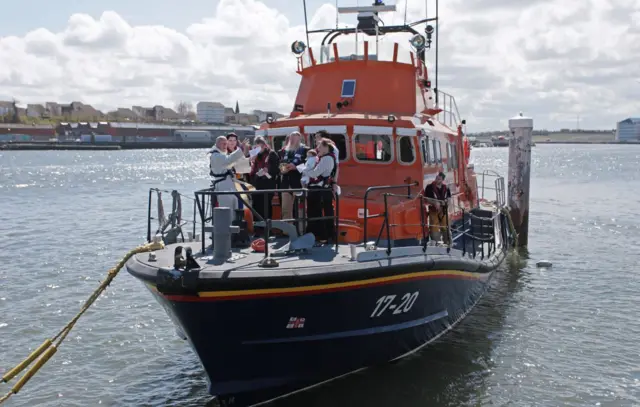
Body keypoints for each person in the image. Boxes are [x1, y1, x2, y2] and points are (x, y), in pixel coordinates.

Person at [303, 138, 337, 244]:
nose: (317, 148)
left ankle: (323, 236)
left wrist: (304, 170)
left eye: (320, 146)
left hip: (321, 190)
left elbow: (315, 173)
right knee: (315, 213)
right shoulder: (323, 158)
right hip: (319, 190)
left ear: (326, 147)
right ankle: (318, 235)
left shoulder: (327, 159)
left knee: (318, 213)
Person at [209, 135, 250, 211]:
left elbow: (232, 162)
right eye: (222, 143)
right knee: (227, 208)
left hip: (228, 185)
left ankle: (236, 221)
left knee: (234, 206)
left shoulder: (221, 154)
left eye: (225, 143)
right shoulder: (216, 155)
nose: (225, 145)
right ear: (217, 144)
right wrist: (240, 148)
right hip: (223, 186)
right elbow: (229, 160)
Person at [249, 136, 280, 235]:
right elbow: (251, 170)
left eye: (260, 147)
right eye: (256, 147)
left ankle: (267, 229)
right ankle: (257, 228)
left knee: (266, 206)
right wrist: (251, 161)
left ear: (264, 145)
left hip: (268, 184)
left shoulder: (271, 154)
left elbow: (276, 169)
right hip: (256, 184)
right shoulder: (255, 156)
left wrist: (267, 171)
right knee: (256, 206)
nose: (258, 150)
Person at [279, 131, 309, 223]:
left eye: (294, 139)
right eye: (291, 138)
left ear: (299, 139)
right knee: (285, 209)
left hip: (299, 183)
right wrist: (284, 169)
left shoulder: (305, 150)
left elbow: (308, 165)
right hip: (286, 183)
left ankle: (301, 230)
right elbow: (280, 164)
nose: (292, 141)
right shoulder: (284, 150)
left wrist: (295, 168)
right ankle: (287, 231)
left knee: (300, 210)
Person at [423, 172, 452, 244]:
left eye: (439, 179)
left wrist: (447, 202)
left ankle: (448, 242)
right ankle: (436, 243)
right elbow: (426, 198)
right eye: (436, 178)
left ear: (442, 180)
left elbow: (449, 198)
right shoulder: (429, 187)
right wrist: (434, 202)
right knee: (434, 227)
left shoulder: (446, 188)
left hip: (443, 210)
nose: (437, 180)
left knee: (445, 226)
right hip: (433, 210)